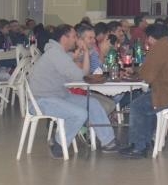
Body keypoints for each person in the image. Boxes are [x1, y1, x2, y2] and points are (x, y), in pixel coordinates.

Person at [27, 25, 118, 158]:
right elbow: (81, 76)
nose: (76, 39)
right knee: (80, 114)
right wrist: (85, 52)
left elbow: (79, 71)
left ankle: (108, 142)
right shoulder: (56, 54)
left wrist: (81, 55)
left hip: (59, 96)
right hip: (41, 100)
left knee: (92, 104)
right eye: (74, 36)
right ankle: (58, 145)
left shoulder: (60, 53)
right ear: (65, 38)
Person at [120, 23, 168, 158]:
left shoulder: (159, 48)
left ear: (151, 37)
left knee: (137, 106)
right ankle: (146, 142)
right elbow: (153, 70)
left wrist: (135, 71)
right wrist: (137, 70)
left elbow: (148, 76)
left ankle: (138, 146)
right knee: (145, 102)